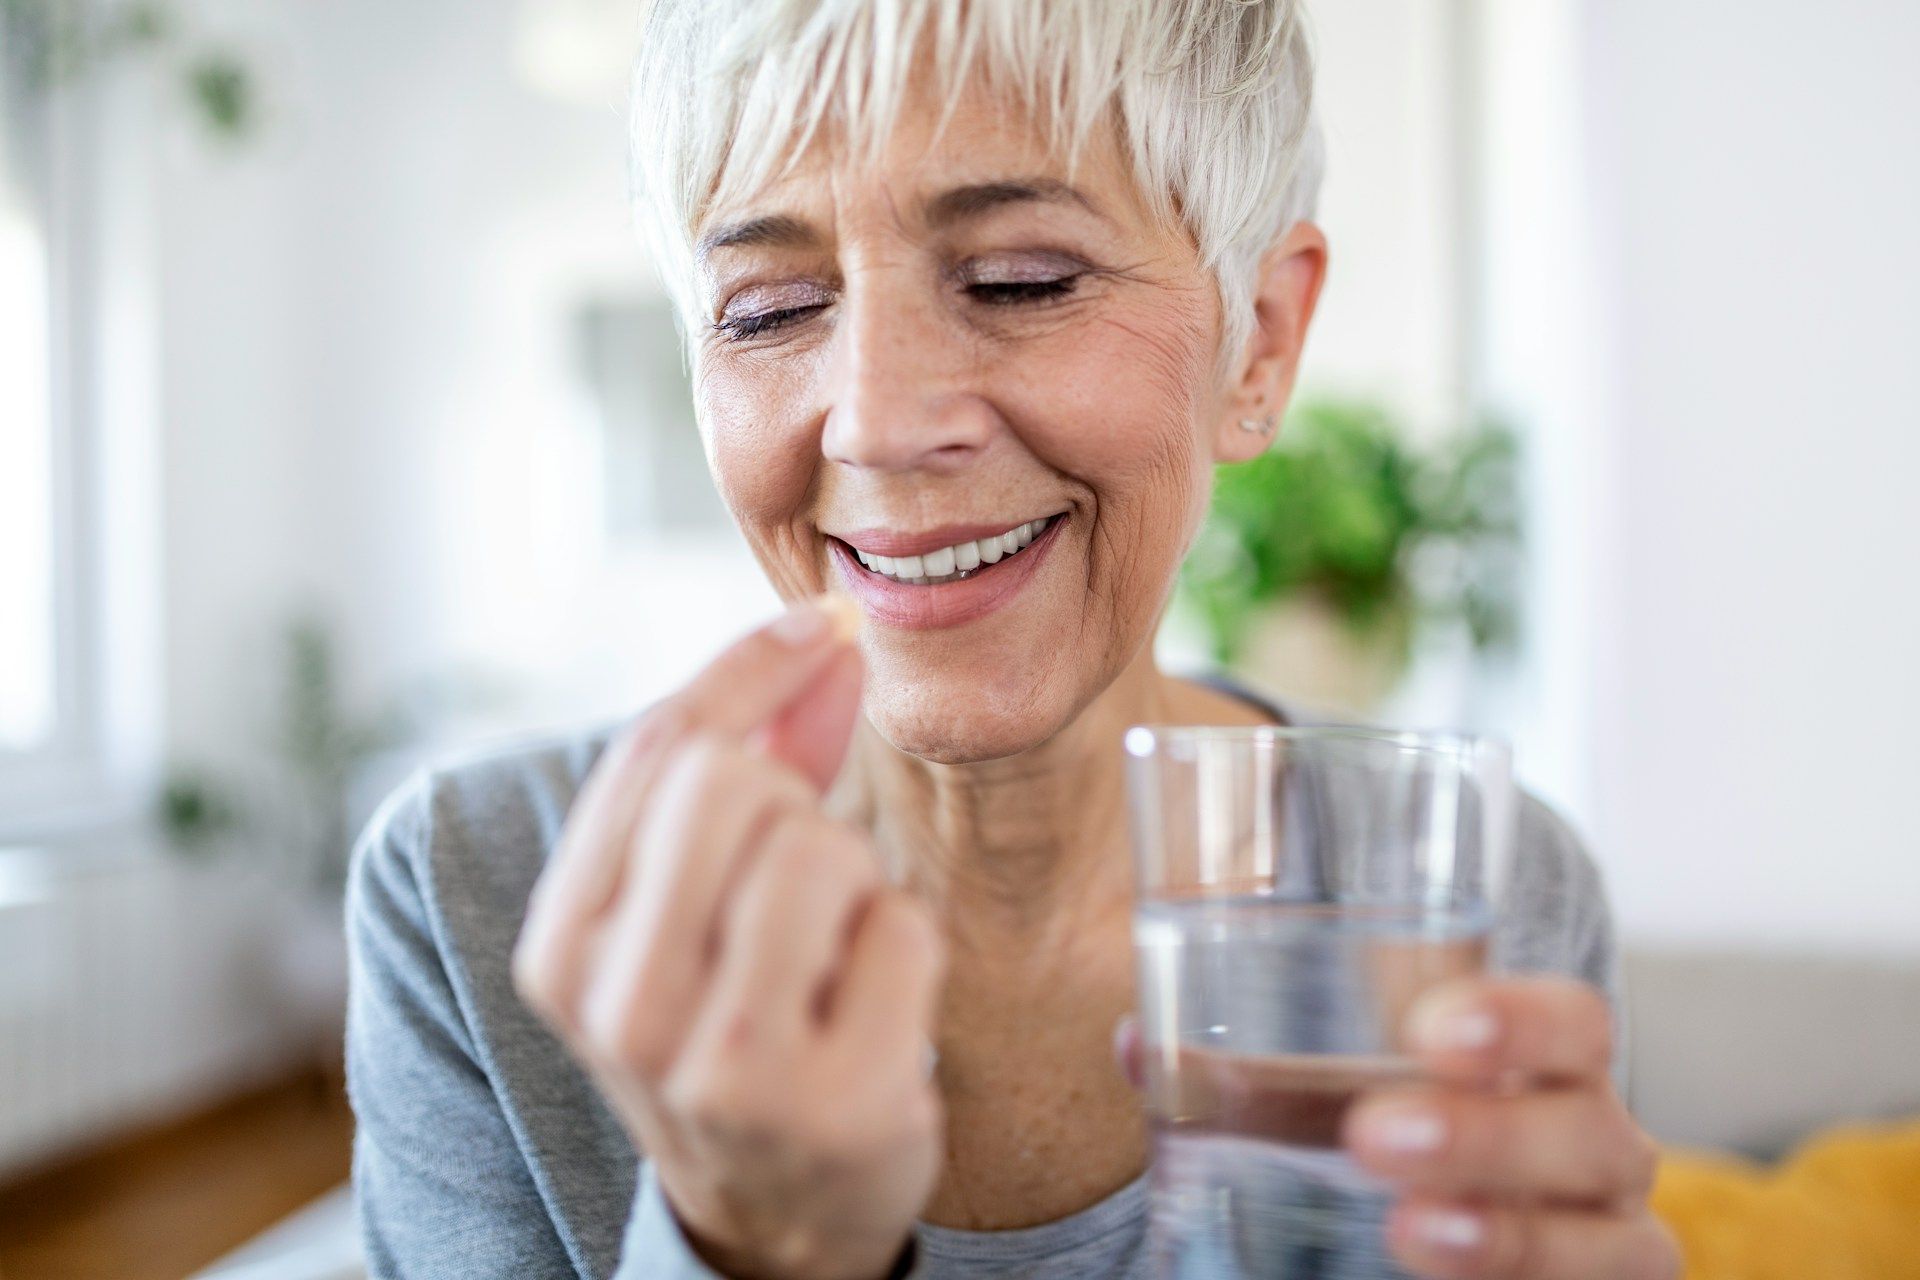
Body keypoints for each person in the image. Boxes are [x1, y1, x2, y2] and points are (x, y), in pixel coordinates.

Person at [345, 2, 1678, 1277]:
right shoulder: (476, 894)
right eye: (766, 309)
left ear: (1259, 342)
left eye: (1020, 280)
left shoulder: (1469, 892)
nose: (874, 420)